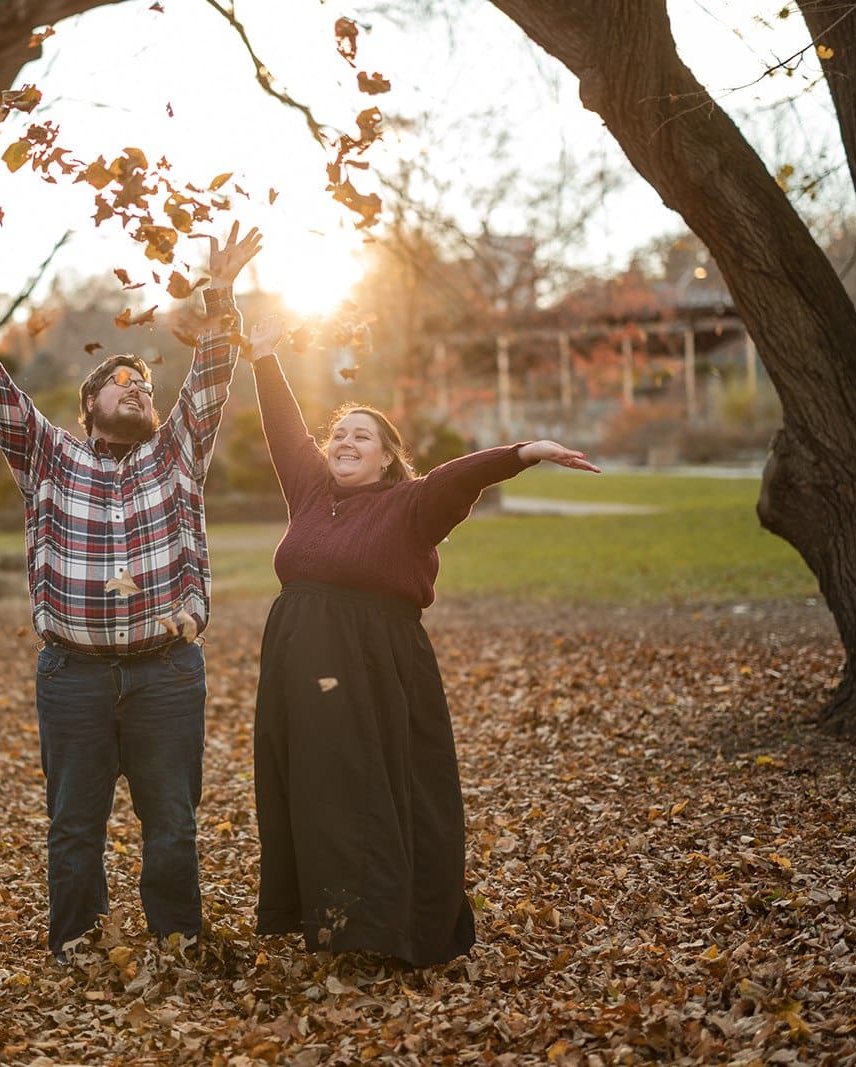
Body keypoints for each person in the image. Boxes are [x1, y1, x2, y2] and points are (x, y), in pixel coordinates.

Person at [0, 222, 263, 963]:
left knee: (172, 823)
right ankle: (77, 945)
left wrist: (219, 295)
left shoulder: (177, 453)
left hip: (167, 671)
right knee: (74, 825)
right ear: (89, 403)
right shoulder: (50, 457)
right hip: (73, 677)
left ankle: (177, 944)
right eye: (121, 384)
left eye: (146, 388)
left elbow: (212, 373)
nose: (138, 392)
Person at [242, 318, 600, 967]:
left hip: (376, 671)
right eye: (339, 434)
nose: (345, 441)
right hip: (298, 672)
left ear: (386, 457)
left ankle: (385, 926)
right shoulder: (309, 491)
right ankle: (330, 919)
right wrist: (264, 353)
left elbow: (455, 480)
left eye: (363, 436)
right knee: (314, 795)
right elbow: (284, 427)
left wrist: (522, 452)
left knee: (376, 795)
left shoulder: (410, 505)